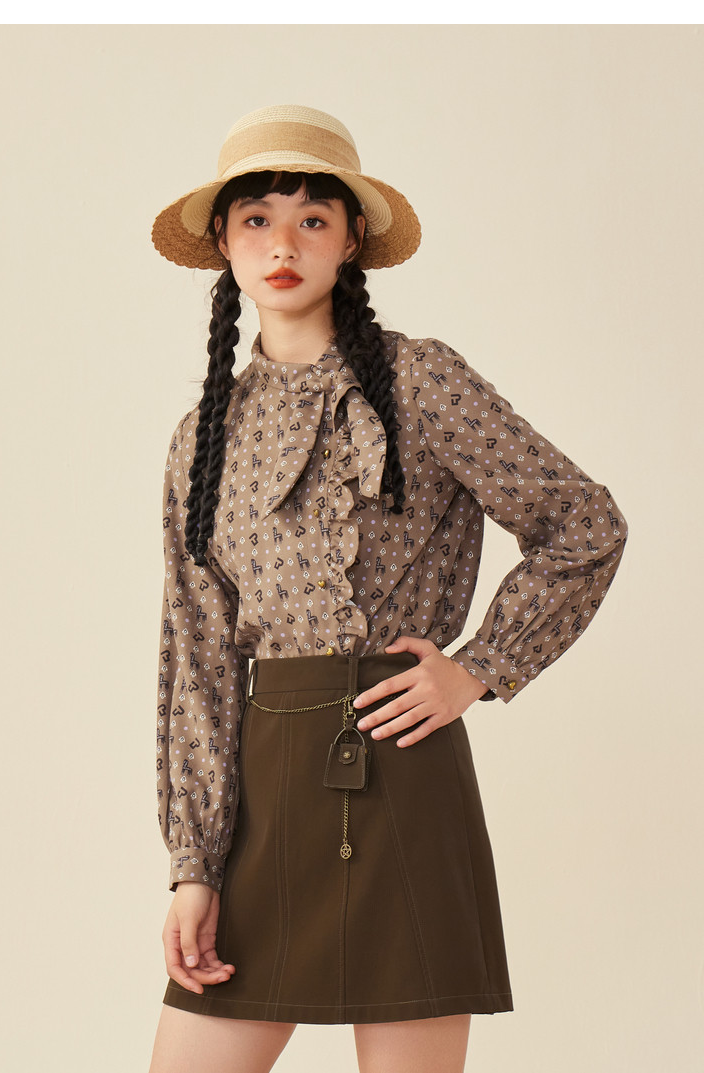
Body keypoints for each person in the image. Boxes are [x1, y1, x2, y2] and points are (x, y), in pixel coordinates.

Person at [148, 105, 627, 1073]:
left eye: (312, 219)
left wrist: (480, 666)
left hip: (403, 770)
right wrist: (193, 863)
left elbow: (584, 523)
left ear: (352, 238)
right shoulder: (203, 436)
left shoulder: (421, 379)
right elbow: (195, 656)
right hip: (265, 795)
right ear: (224, 244)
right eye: (256, 219)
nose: (284, 244)